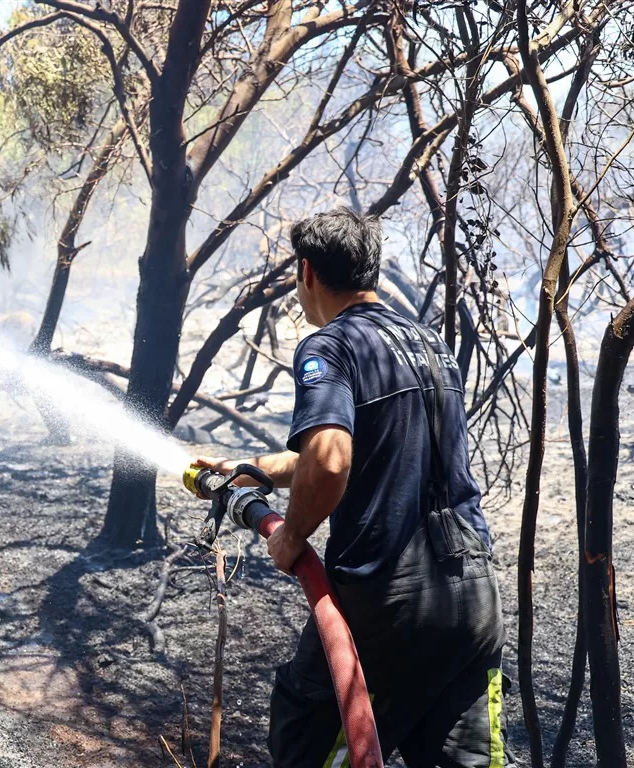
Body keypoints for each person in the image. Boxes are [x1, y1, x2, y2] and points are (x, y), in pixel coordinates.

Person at [195, 207, 513, 768]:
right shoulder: (425, 342)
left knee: (306, 747)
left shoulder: (331, 346)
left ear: (307, 271)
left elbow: (333, 459)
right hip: (472, 596)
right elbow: (359, 450)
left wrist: (291, 536)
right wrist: (258, 468)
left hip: (385, 603)